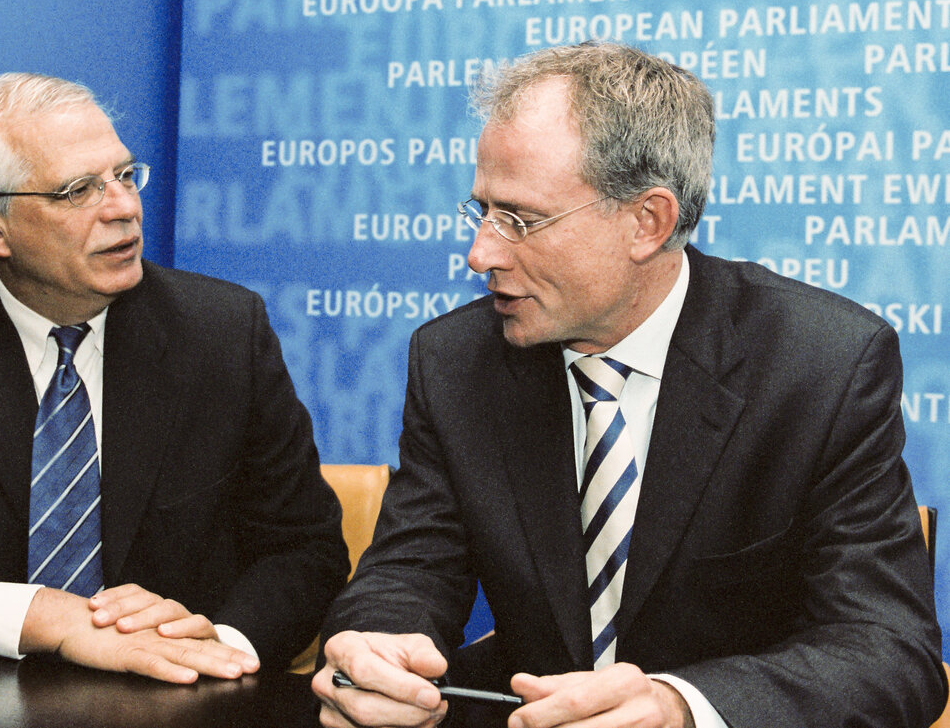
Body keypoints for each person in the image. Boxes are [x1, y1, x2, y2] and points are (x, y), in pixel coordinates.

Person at [312, 42, 946, 727]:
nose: (481, 253)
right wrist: (377, 642)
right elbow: (410, 569)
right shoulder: (456, 359)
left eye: (520, 219)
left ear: (648, 221)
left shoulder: (821, 365)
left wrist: (681, 706)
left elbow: (888, 651)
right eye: (483, 211)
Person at [0, 73, 349, 683]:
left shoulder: (222, 332)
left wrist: (211, 646)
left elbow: (304, 550)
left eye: (125, 176)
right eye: (78, 191)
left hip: (175, 704)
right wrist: (49, 618)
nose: (124, 207)